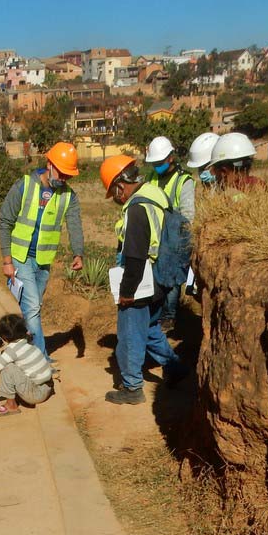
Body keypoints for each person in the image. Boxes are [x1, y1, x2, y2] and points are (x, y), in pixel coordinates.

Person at [99, 155, 188, 405]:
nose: (115, 199)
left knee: (129, 334)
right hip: (161, 277)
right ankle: (176, 368)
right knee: (149, 329)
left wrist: (127, 292)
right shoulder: (156, 195)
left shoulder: (137, 209)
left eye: (113, 193)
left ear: (120, 184)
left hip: (141, 281)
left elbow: (135, 255)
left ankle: (132, 388)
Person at [0, 141, 85, 360]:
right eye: (62, 173)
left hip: (43, 260)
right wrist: (7, 260)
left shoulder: (69, 196)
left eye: (69, 176)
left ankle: (17, 347)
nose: (64, 179)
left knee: (32, 309)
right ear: (49, 164)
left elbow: (74, 224)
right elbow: (5, 221)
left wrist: (78, 253)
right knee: (33, 307)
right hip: (20, 257)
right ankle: (40, 358)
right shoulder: (24, 185)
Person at [145, 135, 196, 332]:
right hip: (155, 236)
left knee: (173, 281)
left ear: (170, 158)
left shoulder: (184, 181)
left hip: (174, 238)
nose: (156, 166)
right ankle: (156, 316)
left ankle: (170, 317)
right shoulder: (152, 178)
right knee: (155, 277)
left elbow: (188, 214)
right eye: (154, 163)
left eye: (160, 162)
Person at [182, 132, 220, 299]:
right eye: (199, 169)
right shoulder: (206, 188)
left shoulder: (231, 190)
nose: (201, 173)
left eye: (204, 168)